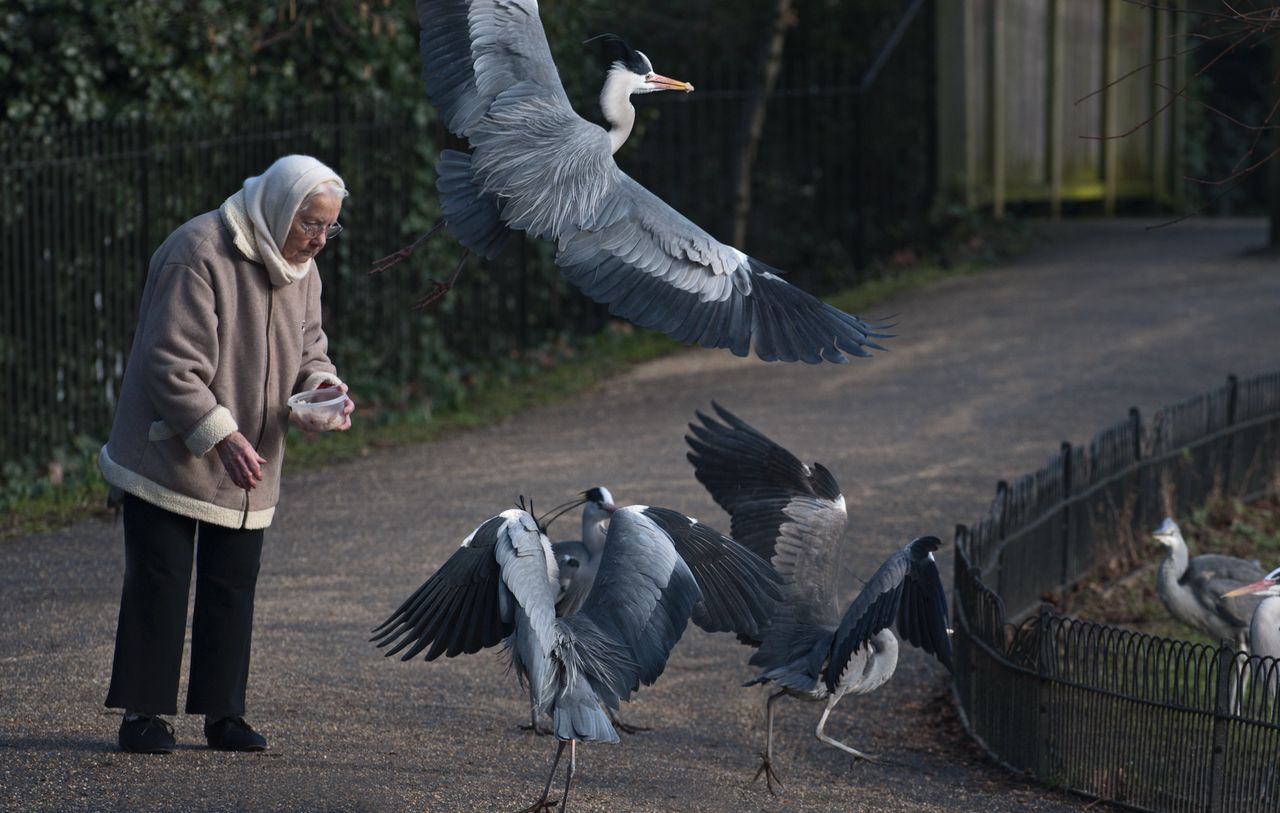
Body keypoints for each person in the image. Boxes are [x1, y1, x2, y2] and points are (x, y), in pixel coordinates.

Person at [98, 154, 356, 754]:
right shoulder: (199, 251)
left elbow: (310, 344)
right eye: (310, 225)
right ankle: (143, 715)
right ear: (280, 209)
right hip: (171, 452)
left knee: (233, 581)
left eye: (329, 228)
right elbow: (170, 363)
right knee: (160, 579)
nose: (319, 241)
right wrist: (221, 433)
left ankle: (223, 713)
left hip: (251, 457)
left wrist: (322, 388)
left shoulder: (302, 268)